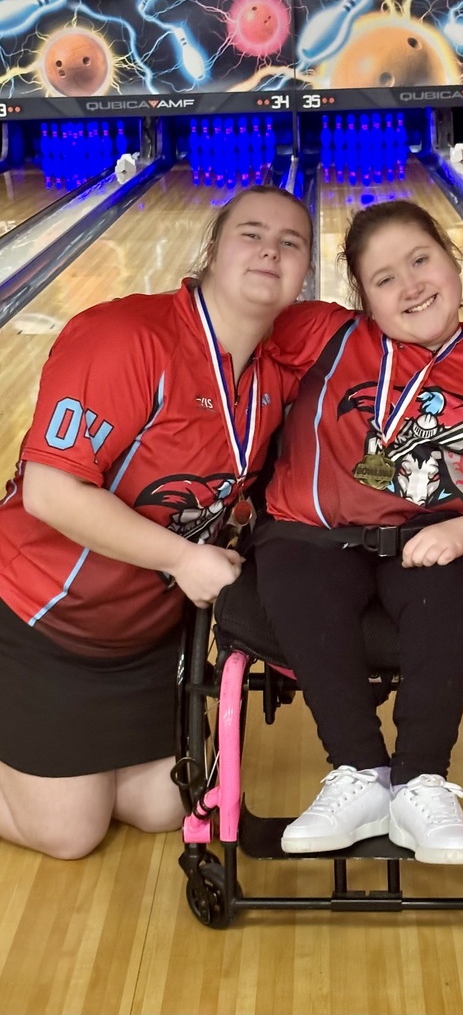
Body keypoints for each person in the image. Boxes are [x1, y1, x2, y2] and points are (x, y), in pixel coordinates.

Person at [0, 185, 323, 859]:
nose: (271, 250)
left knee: (162, 806)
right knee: (71, 832)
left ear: (305, 273)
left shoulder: (276, 369)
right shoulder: (126, 338)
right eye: (252, 233)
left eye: (291, 242)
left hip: (143, 638)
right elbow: (50, 493)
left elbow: (400, 332)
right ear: (212, 249)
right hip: (36, 617)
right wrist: (181, 558)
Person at [253, 200, 463, 864]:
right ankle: (359, 775)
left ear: (454, 262)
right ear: (362, 299)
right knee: (291, 566)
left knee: (443, 582)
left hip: (444, 543)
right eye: (384, 279)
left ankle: (420, 784)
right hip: (316, 539)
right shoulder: (324, 334)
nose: (410, 286)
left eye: (421, 260)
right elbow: (228, 318)